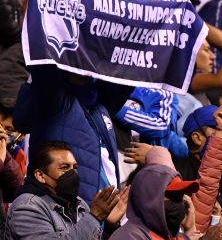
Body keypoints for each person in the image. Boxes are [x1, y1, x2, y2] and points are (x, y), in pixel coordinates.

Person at [14, 66, 134, 204]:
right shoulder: (55, 101)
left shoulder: (100, 104)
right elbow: (46, 68)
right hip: (68, 209)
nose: (82, 66)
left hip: (103, 213)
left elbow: (124, 69)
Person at [6, 141, 125, 240]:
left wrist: (110, 227)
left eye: (75, 167)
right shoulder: (27, 207)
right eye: (64, 167)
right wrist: (94, 217)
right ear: (41, 176)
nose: (73, 173)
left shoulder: (79, 204)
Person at [107, 149, 200, 240]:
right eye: (170, 196)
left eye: (179, 197)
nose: (177, 203)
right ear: (148, 198)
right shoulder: (129, 239)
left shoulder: (170, 236)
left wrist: (189, 231)